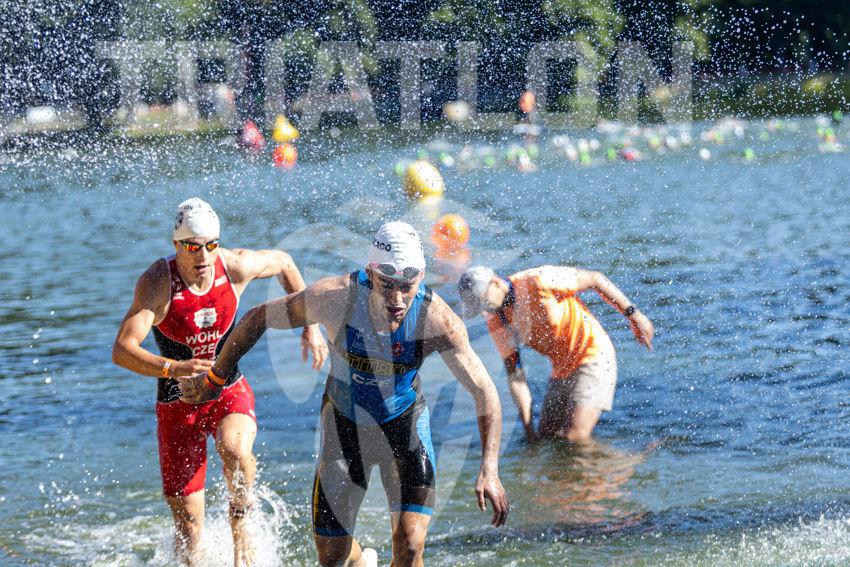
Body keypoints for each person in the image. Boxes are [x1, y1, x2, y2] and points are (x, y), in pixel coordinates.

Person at [180, 221, 510, 567]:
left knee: (411, 547)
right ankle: (360, 560)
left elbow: (484, 390)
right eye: (386, 285)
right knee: (332, 557)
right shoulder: (335, 298)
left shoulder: (437, 320)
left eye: (407, 286)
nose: (397, 299)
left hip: (404, 427)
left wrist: (489, 467)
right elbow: (257, 317)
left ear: (422, 276)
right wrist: (214, 380)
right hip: (344, 428)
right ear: (371, 273)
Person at [112, 197, 328, 566]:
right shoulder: (157, 283)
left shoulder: (234, 266)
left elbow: (284, 262)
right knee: (189, 528)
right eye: (192, 247)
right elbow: (122, 350)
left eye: (210, 245)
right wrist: (172, 368)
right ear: (176, 245)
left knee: (236, 450)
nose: (203, 256)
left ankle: (240, 522)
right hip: (177, 404)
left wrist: (310, 327)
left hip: (227, 390)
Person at [458, 265, 654, 444]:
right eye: (479, 309)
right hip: (561, 369)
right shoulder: (498, 320)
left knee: (575, 437)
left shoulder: (537, 280)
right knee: (548, 437)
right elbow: (516, 377)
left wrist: (634, 316)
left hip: (593, 354)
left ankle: (626, 463)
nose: (484, 312)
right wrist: (529, 432)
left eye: (484, 304)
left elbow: (595, 278)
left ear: (495, 283)